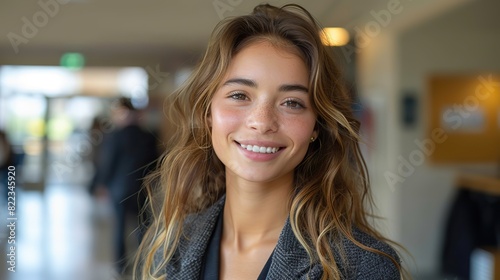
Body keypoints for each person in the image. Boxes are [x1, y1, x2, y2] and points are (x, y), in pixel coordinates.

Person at [134, 4, 406, 279]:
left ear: (317, 126)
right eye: (240, 95)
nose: (262, 122)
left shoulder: (363, 267)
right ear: (208, 113)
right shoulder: (171, 247)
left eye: (291, 102)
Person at [93, 97, 159, 274]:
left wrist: (101, 184)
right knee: (142, 227)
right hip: (142, 188)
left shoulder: (114, 136)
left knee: (119, 228)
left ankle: (121, 266)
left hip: (119, 189)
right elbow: (155, 164)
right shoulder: (149, 136)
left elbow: (108, 163)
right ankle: (145, 263)